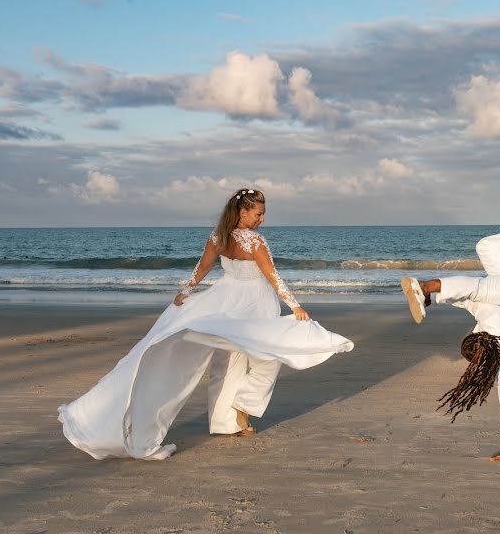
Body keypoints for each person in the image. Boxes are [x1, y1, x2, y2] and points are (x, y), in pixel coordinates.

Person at [58, 188, 354, 460]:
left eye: (263, 214)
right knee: (267, 352)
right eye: (258, 213)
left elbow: (202, 269)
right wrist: (296, 306)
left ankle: (228, 420)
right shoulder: (254, 241)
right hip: (255, 299)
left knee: (233, 358)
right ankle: (241, 408)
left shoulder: (218, 236)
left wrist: (186, 292)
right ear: (241, 212)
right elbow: (273, 276)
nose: (262, 219)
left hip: (227, 296)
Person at [400, 201, 500, 465]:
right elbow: (473, 293)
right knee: (480, 286)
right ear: (482, 339)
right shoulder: (492, 324)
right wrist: (430, 292)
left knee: (487, 249)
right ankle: (424, 286)